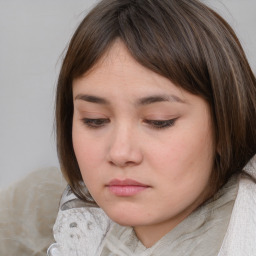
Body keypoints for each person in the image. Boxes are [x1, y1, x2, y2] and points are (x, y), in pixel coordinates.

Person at [47, 0, 256, 255]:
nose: (120, 153)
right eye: (95, 120)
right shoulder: (81, 232)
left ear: (227, 124)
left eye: (159, 121)